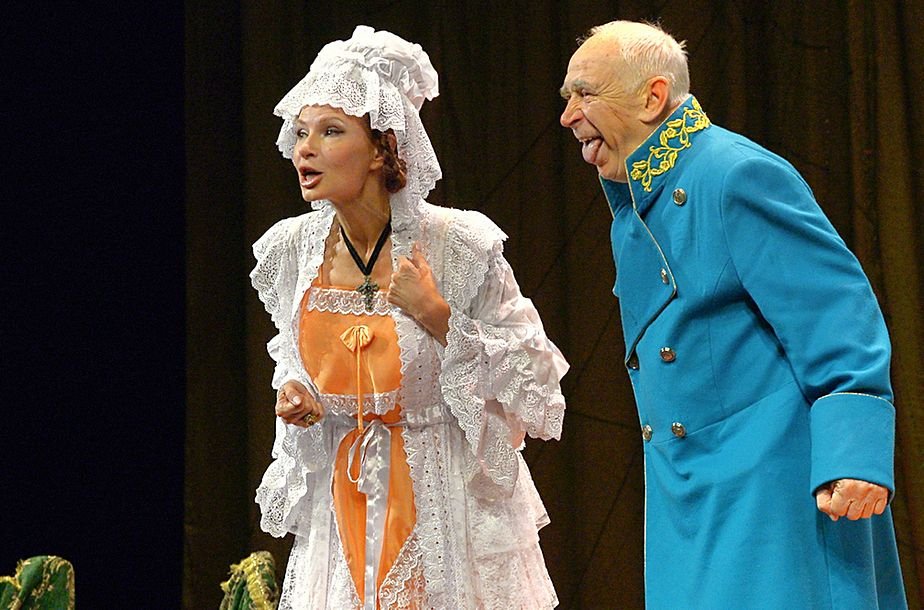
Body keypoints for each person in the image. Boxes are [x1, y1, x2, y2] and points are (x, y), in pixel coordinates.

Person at [559, 20, 906, 609]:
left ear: (652, 97)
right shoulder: (638, 202)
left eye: (585, 94)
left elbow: (837, 311)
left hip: (771, 487)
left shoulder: (733, 174)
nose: (569, 116)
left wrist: (855, 454)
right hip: (690, 489)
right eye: (568, 96)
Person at [250, 26, 567, 609]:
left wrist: (439, 317)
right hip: (344, 510)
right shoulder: (291, 251)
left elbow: (538, 384)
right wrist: (299, 393)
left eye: (330, 131)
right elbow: (292, 357)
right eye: (301, 132)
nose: (304, 148)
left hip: (440, 505)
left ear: (380, 149)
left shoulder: (457, 245)